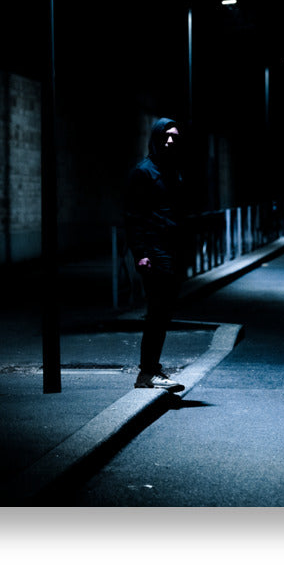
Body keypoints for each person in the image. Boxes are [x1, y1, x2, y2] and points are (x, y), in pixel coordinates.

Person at [124, 117, 187, 391]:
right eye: (166, 136)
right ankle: (147, 372)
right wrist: (141, 253)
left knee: (163, 313)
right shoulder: (143, 172)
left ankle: (150, 369)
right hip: (154, 250)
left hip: (170, 250)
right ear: (156, 137)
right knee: (157, 311)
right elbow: (133, 216)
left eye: (174, 136)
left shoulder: (173, 172)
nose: (170, 140)